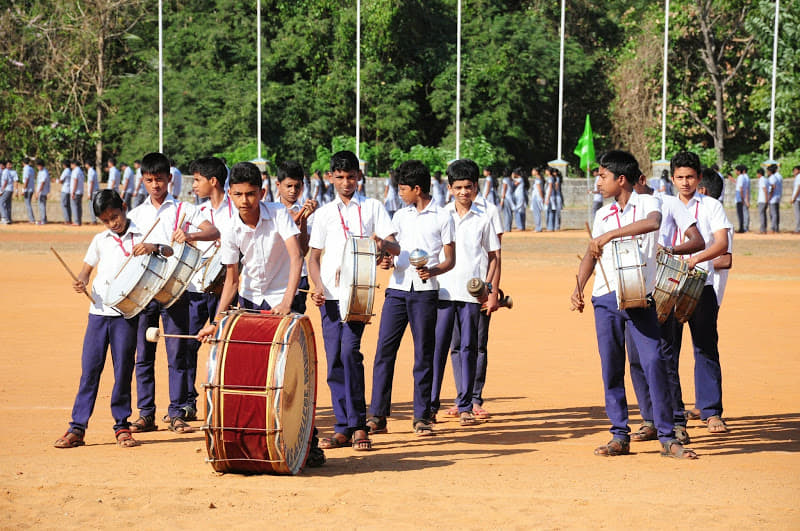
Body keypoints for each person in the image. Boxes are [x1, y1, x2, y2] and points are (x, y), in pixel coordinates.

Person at [570, 150, 697, 459]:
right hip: (606, 298)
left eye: (602, 176)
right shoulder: (602, 213)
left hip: (640, 299)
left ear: (620, 179)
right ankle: (619, 435)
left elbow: (653, 224)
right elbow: (591, 252)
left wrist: (612, 234)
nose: (598, 182)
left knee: (654, 361)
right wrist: (578, 287)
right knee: (611, 367)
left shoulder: (648, 203)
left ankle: (667, 436)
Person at [53, 190, 174, 449]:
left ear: (123, 207)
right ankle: (77, 427)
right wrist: (81, 281)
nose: (112, 223)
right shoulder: (100, 240)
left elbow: (169, 250)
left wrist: (152, 247)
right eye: (106, 220)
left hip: (127, 314)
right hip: (98, 313)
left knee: (123, 371)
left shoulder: (143, 233)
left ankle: (121, 425)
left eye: (115, 217)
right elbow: (86, 271)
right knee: (90, 370)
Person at [307, 151, 398, 451]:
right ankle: (343, 426)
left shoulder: (372, 207)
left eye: (351, 177)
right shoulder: (323, 214)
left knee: (349, 352)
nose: (346, 183)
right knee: (334, 358)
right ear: (331, 177)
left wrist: (383, 244)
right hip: (330, 297)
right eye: (340, 177)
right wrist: (316, 285)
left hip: (358, 295)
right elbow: (313, 257)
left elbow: (394, 246)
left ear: (359, 177)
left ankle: (359, 424)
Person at [128, 152, 220, 434]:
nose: (155, 185)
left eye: (159, 179)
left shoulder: (185, 210)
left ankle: (177, 412)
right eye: (149, 180)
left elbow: (213, 231)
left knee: (177, 353)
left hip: (177, 291)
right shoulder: (135, 216)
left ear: (170, 178)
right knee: (143, 354)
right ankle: (146, 413)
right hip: (144, 294)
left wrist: (190, 236)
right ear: (143, 181)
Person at [368, 159, 455, 437]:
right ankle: (378, 415)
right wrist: (384, 252)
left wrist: (433, 270)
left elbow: (450, 259)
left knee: (423, 354)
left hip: (425, 292)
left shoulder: (442, 217)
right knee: (384, 351)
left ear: (417, 189)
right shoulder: (400, 216)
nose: (400, 193)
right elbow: (395, 250)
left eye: (403, 189)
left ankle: (422, 416)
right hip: (397, 290)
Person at [624, 173, 705, 445]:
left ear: (640, 179)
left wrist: (668, 249)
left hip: (663, 288)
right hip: (632, 288)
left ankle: (677, 421)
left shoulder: (668, 203)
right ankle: (650, 420)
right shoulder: (623, 209)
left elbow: (697, 240)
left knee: (664, 357)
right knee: (636, 358)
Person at [666, 152, 732, 434]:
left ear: (699, 178)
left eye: (690, 177)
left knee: (705, 346)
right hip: (668, 284)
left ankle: (711, 411)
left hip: (700, 284)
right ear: (672, 178)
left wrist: (696, 258)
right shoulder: (663, 205)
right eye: (679, 177)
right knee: (668, 350)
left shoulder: (711, 206)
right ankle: (672, 413)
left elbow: (722, 244)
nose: (685, 182)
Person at [431, 159, 500, 426]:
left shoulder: (483, 219)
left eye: (468, 187)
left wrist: (489, 288)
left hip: (471, 296)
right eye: (458, 187)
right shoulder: (440, 216)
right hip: (442, 294)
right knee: (439, 349)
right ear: (449, 188)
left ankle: (466, 404)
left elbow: (494, 256)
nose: (463, 192)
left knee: (469, 348)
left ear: (476, 188)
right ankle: (431, 406)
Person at [177, 156, 236, 420]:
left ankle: (226, 403)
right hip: (196, 286)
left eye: (197, 180)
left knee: (227, 346)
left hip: (227, 289)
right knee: (190, 345)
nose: (194, 185)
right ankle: (188, 402)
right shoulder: (196, 212)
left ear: (213, 181)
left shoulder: (236, 210)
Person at [275, 160, 319, 314]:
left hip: (299, 276)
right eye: (288, 186)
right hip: (273, 275)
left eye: (297, 186)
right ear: (278, 185)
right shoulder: (269, 211)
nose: (293, 191)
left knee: (294, 326)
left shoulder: (307, 213)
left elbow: (304, 250)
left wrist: (304, 221)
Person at [734, 164, 750, 233]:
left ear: (738, 171)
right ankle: (742, 227)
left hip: (739, 199)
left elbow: (740, 189)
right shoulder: (742, 177)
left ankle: (741, 228)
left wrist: (742, 198)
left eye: (736, 170)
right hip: (740, 198)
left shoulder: (740, 177)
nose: (735, 172)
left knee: (740, 214)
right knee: (741, 214)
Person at [499, 167, 515, 233]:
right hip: (511, 197)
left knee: (506, 213)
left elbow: (504, 190)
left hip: (506, 198)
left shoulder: (505, 180)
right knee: (510, 213)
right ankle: (509, 227)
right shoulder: (510, 180)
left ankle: (507, 228)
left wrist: (502, 199)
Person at [767, 164, 782, 233]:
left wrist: (769, 196)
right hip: (777, 197)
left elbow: (773, 187)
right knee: (775, 213)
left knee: (773, 214)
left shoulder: (772, 177)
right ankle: (776, 228)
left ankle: (774, 228)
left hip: (773, 198)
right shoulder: (778, 177)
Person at [69, 159, 85, 226]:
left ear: (74, 164)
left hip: (76, 191)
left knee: (74, 206)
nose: (70, 165)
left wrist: (73, 192)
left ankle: (76, 221)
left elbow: (75, 181)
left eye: (71, 164)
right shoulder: (80, 171)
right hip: (80, 191)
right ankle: (79, 221)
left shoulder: (75, 171)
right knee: (79, 207)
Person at [34, 159, 50, 225]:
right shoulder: (41, 171)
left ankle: (43, 220)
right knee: (41, 205)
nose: (37, 167)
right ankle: (44, 219)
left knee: (42, 206)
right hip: (41, 191)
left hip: (42, 191)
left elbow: (42, 183)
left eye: (38, 166)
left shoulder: (44, 172)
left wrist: (38, 192)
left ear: (40, 165)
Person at [530, 167, 545, 232]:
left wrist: (542, 197)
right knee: (537, 212)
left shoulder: (537, 180)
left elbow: (539, 190)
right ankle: (538, 227)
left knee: (536, 213)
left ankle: (538, 227)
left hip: (537, 197)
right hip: (537, 197)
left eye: (533, 170)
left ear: (536, 172)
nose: (532, 172)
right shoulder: (539, 179)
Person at [21, 158, 36, 224]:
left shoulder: (26, 169)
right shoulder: (31, 169)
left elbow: (26, 180)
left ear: (23, 163)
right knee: (28, 203)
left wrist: (23, 189)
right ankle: (31, 219)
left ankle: (31, 219)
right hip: (32, 187)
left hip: (28, 189)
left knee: (28, 204)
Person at [756, 168, 769, 234]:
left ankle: (762, 229)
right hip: (764, 199)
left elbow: (765, 189)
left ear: (759, 174)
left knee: (762, 215)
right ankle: (764, 228)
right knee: (764, 214)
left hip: (762, 200)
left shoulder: (761, 180)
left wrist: (766, 199)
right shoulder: (766, 179)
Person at [791, 166, 800, 234]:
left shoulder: (798, 177)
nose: (793, 172)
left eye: (795, 170)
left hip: (797, 198)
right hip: (797, 198)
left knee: (798, 214)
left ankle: (798, 229)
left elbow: (799, 188)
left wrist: (794, 198)